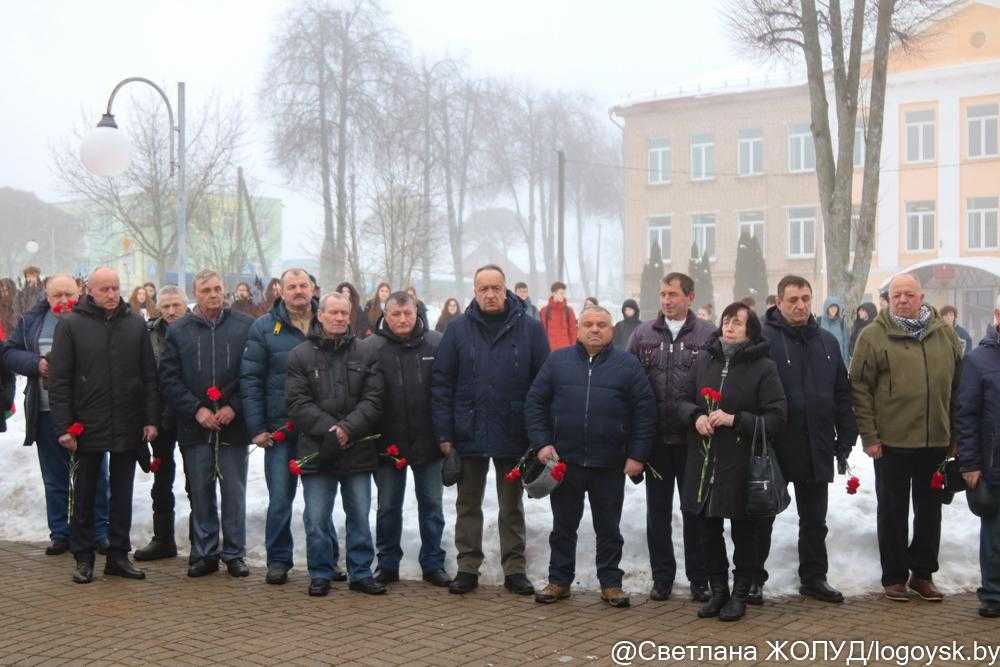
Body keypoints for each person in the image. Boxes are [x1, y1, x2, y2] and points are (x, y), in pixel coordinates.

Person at [431, 264, 550, 595]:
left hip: (514, 432)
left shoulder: (530, 329)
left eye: (496, 287)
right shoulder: (457, 329)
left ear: (505, 289)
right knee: (468, 504)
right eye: (483, 288)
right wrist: (445, 435)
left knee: (511, 505)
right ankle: (468, 566)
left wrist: (538, 433)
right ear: (474, 291)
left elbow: (543, 383)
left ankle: (515, 569)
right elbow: (441, 384)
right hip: (468, 430)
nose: (490, 294)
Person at [526, 305, 655, 608]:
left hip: (609, 463)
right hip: (565, 462)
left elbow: (645, 412)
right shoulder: (557, 361)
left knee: (608, 528)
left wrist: (637, 455)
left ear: (611, 329)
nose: (595, 329)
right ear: (578, 328)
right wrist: (542, 443)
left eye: (601, 324)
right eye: (588, 324)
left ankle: (611, 584)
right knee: (563, 526)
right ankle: (559, 581)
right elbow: (535, 403)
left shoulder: (627, 365)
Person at [850, 273, 963, 602]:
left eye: (909, 294)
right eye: (896, 294)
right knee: (892, 511)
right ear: (888, 299)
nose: (902, 299)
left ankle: (923, 575)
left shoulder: (944, 334)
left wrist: (955, 433)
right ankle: (895, 577)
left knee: (930, 512)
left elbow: (958, 386)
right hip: (891, 441)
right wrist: (869, 435)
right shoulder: (873, 336)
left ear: (921, 297)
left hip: (935, 440)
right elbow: (859, 388)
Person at [676, 302, 786, 622]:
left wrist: (735, 419)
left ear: (750, 330)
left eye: (738, 322)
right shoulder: (704, 359)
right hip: (705, 462)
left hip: (741, 463)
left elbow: (777, 417)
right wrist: (695, 416)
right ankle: (718, 592)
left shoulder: (763, 367)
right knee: (707, 530)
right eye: (727, 320)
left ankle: (739, 595)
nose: (730, 326)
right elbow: (681, 400)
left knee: (744, 532)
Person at [48, 267, 159, 584]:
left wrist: (150, 419)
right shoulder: (71, 325)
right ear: (90, 291)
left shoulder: (135, 324)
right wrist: (64, 426)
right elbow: (60, 381)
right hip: (87, 424)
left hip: (127, 421)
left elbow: (148, 376)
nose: (111, 294)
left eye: (115, 288)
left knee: (122, 494)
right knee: (85, 494)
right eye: (104, 289)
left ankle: (118, 556)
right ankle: (83, 558)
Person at [241, 269, 346, 585]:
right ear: (280, 290)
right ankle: (278, 560)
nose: (298, 291)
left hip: (320, 429)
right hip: (280, 430)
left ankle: (327, 560)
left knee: (320, 502)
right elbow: (251, 379)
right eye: (292, 286)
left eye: (303, 285)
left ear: (313, 288)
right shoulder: (263, 328)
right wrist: (257, 427)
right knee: (280, 500)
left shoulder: (327, 321)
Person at [761, 276, 858, 603]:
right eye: (793, 300)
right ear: (779, 302)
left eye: (805, 298)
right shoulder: (763, 340)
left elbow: (842, 393)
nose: (800, 305)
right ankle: (752, 578)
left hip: (816, 443)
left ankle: (814, 578)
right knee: (762, 516)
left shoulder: (827, 342)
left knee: (815, 520)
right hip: (774, 444)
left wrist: (846, 436)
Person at [1, 274, 111, 556]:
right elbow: (8, 353)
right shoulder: (32, 321)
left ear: (79, 293)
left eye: (68, 294)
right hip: (46, 411)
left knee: (97, 475)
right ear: (46, 296)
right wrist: (36, 363)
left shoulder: (95, 318)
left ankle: (99, 531)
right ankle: (60, 533)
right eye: (57, 295)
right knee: (54, 477)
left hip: (88, 412)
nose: (63, 301)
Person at [285, 292, 385, 597]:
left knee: (359, 515)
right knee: (316, 517)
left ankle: (361, 573)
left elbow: (374, 399)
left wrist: (346, 429)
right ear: (321, 315)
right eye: (334, 312)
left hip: (357, 447)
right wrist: (330, 430)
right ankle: (320, 572)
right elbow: (297, 402)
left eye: (344, 313)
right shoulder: (300, 355)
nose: (340, 318)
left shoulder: (366, 352)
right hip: (316, 450)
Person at [159, 269, 254, 579]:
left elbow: (251, 374)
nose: (213, 294)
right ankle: (205, 552)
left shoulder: (244, 326)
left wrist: (233, 406)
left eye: (217, 288)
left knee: (234, 491)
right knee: (200, 491)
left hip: (232, 426)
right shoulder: (179, 331)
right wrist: (196, 409)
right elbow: (169, 378)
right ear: (194, 294)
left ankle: (235, 554)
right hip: (195, 427)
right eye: (205, 290)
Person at [627, 272, 715, 602]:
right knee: (658, 513)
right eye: (663, 294)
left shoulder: (708, 334)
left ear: (690, 297)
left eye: (673, 294)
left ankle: (699, 579)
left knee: (695, 512)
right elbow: (629, 381)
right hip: (657, 442)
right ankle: (662, 577)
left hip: (694, 440)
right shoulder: (642, 334)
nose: (667, 300)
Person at [364, 291, 450, 588]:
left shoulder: (436, 343)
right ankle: (387, 563)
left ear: (417, 313)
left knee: (432, 506)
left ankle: (433, 563)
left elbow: (446, 391)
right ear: (385, 316)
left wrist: (446, 435)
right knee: (388, 507)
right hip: (387, 445)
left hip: (429, 442)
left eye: (408, 313)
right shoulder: (370, 347)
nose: (402, 319)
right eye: (396, 314)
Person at [133, 286, 189, 562]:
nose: (171, 311)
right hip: (160, 415)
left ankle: (201, 542)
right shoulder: (149, 334)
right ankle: (163, 539)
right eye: (165, 306)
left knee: (197, 480)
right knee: (161, 479)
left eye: (176, 305)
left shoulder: (196, 330)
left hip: (191, 415)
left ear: (185, 305)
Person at [956, 294, 1000, 618]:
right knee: (995, 534)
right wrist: (970, 463)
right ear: (997, 314)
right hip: (993, 462)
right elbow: (966, 415)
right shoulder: (977, 360)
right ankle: (993, 594)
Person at [540, 281, 577, 351]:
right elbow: (542, 331)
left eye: (564, 293)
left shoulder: (569, 311)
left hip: (566, 350)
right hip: (549, 349)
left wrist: (572, 349)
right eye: (561, 293)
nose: (563, 295)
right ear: (553, 293)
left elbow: (573, 331)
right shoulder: (544, 311)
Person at [818, 297, 849, 363]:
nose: (833, 310)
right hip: (822, 360)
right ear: (827, 308)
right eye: (831, 307)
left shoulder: (842, 323)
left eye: (835, 308)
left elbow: (845, 344)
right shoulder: (819, 321)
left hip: (838, 360)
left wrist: (845, 362)